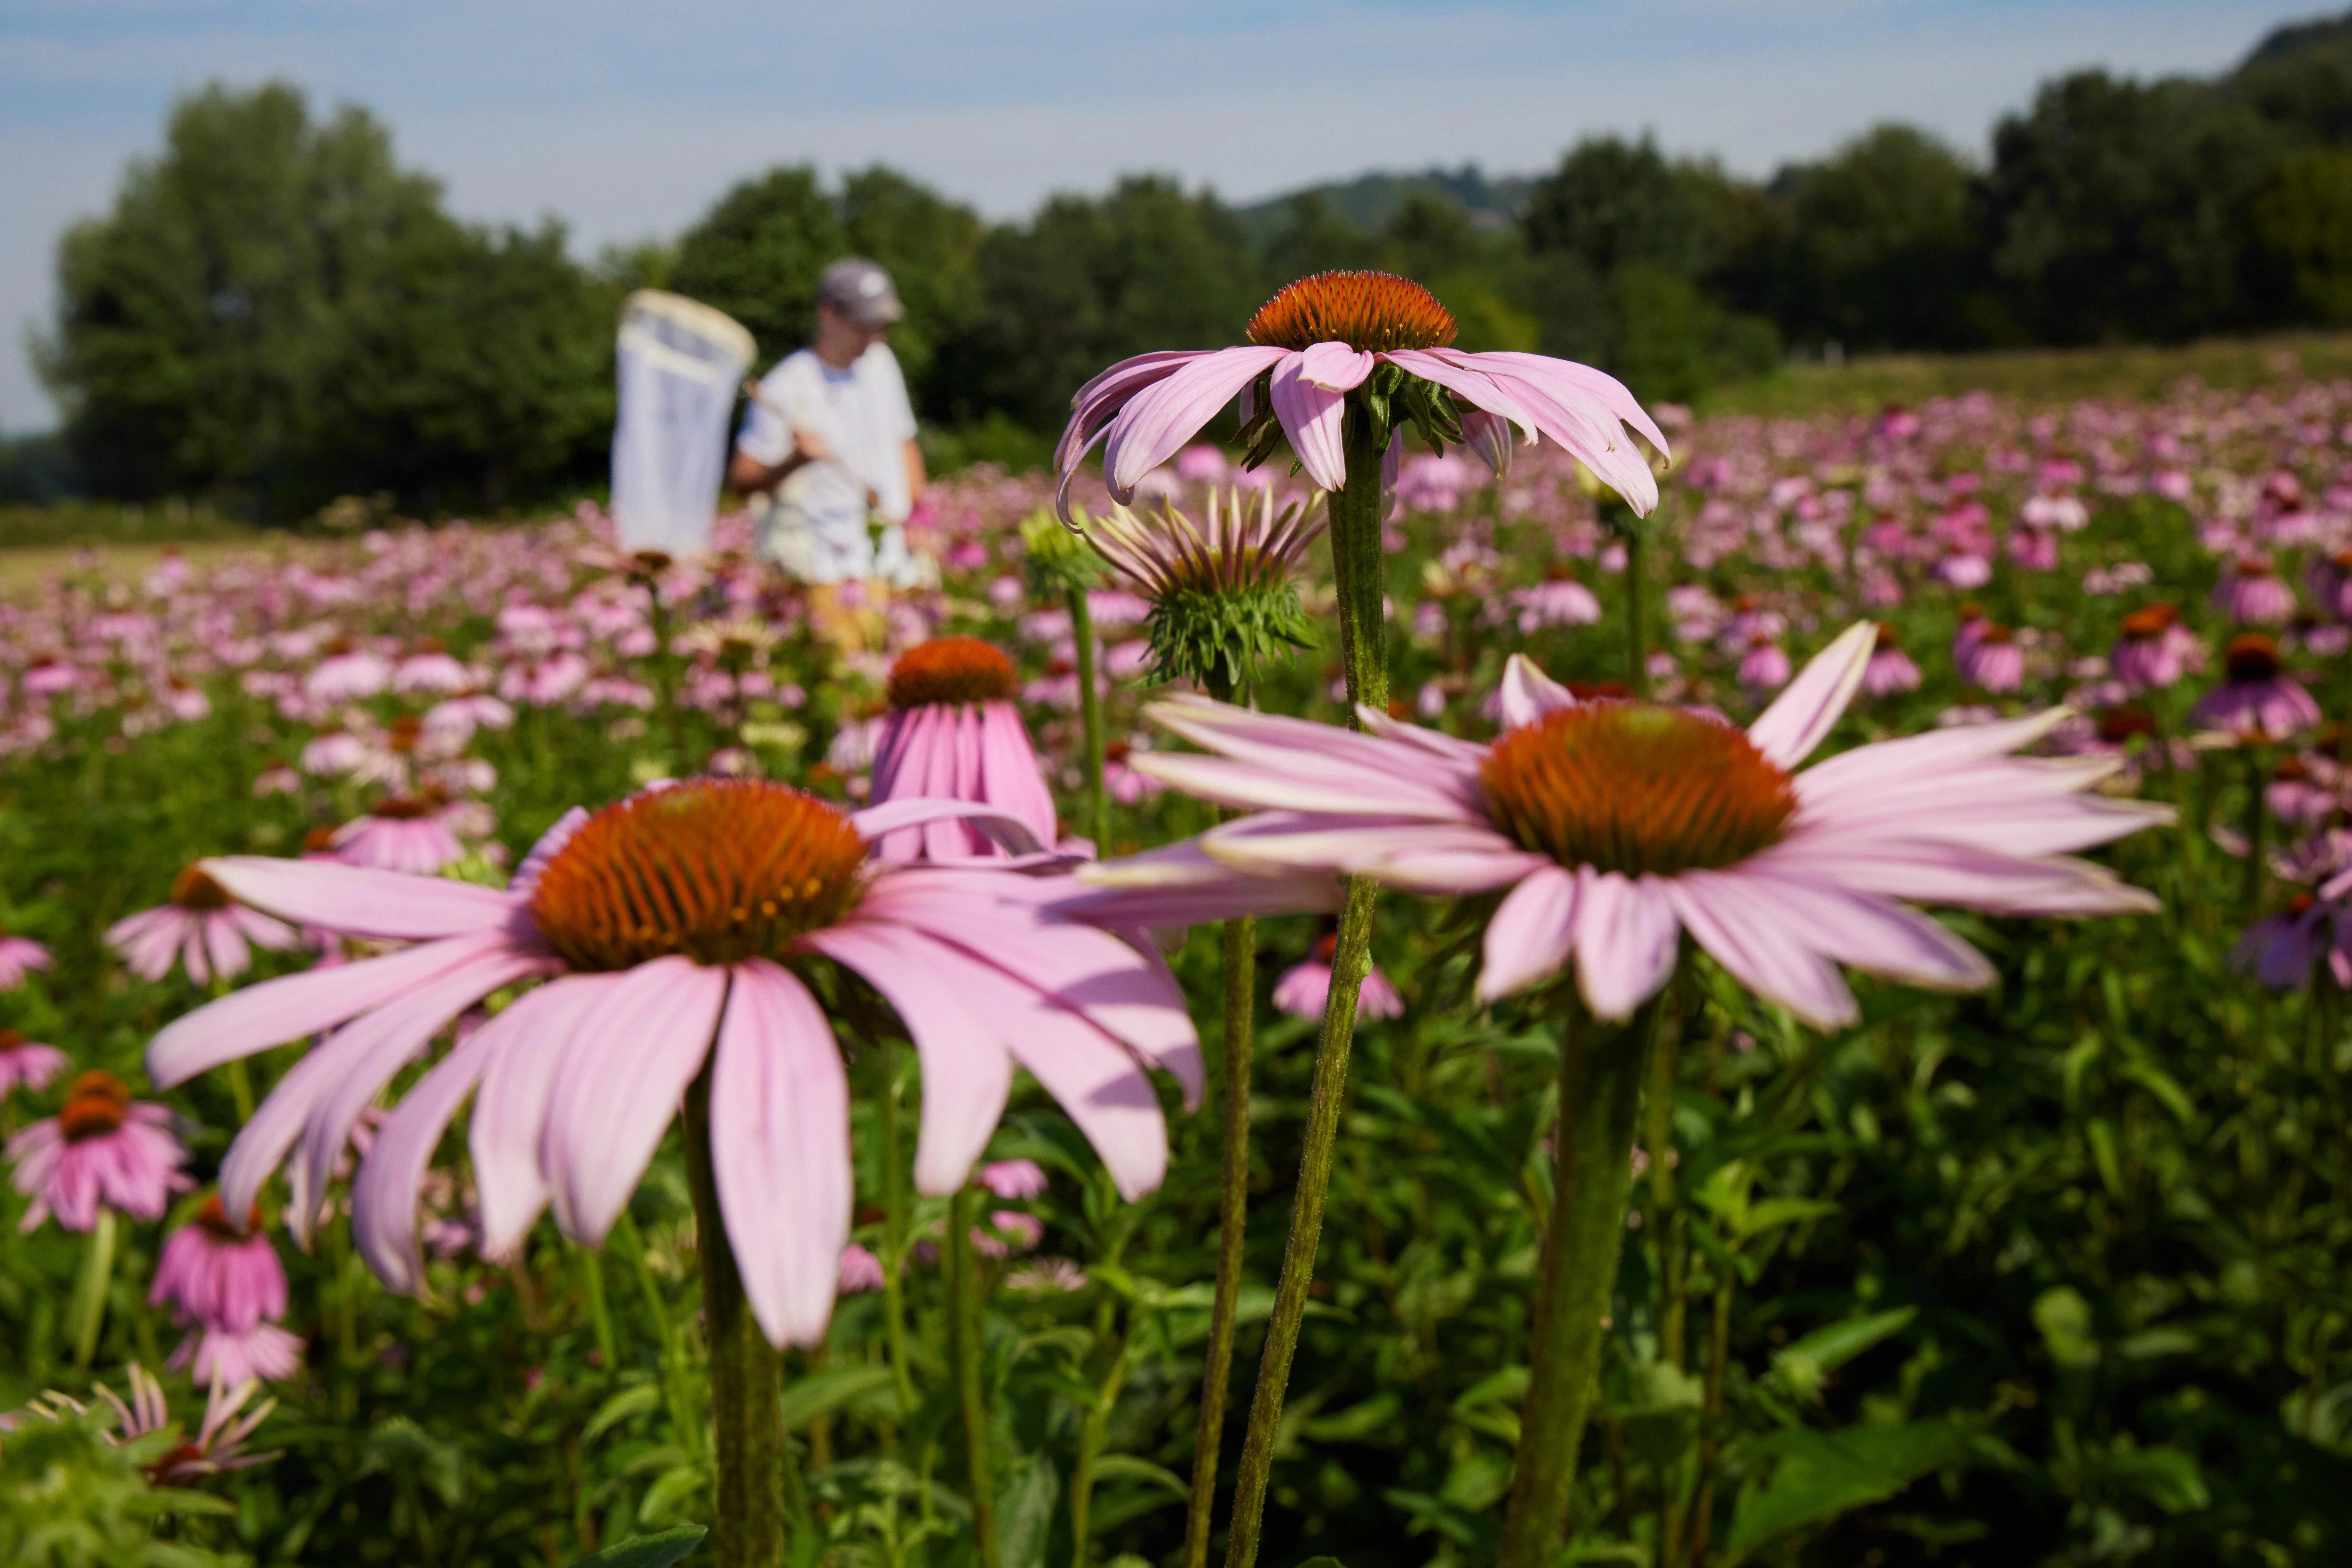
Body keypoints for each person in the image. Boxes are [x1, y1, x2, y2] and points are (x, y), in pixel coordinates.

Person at [729, 258, 931, 643]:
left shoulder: (881, 364)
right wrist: (795, 461)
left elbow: (904, 442)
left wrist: (918, 518)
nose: (875, 337)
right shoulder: (786, 387)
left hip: (896, 564)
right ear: (828, 314)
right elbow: (741, 482)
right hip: (829, 574)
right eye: (864, 326)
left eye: (882, 326)